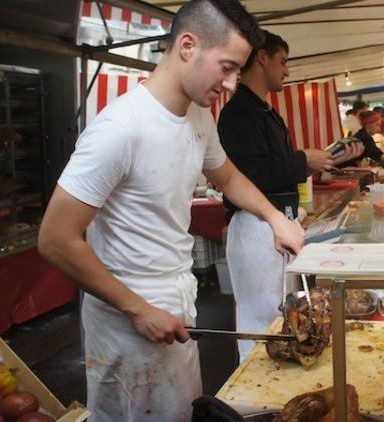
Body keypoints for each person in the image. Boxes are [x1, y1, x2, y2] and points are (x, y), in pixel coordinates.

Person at [36, 2, 305, 420]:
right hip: (127, 321)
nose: (233, 84)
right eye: (227, 67)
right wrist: (136, 308)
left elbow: (229, 176)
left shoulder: (199, 115)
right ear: (186, 45)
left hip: (177, 302)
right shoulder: (119, 129)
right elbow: (55, 239)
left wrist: (275, 219)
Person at [218, 30, 362, 360]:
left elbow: (274, 169)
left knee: (284, 313)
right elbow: (247, 176)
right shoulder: (238, 113)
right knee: (261, 318)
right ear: (262, 57)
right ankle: (255, 398)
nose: (286, 71)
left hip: (278, 222)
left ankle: (280, 377)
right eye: (282, 62)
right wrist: (302, 160)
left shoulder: (267, 113)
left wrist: (315, 163)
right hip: (255, 227)